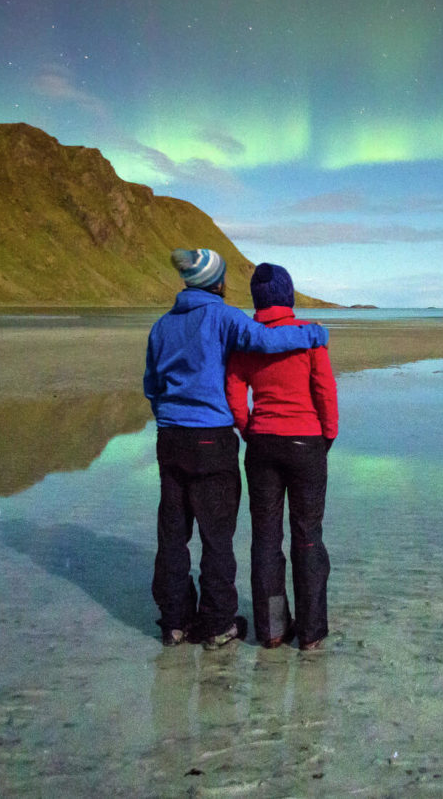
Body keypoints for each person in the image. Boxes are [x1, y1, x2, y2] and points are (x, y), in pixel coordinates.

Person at [144, 248, 329, 649]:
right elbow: (265, 339)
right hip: (212, 439)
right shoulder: (223, 316)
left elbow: (152, 387)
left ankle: (176, 624)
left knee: (173, 534)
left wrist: (176, 418)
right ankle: (217, 625)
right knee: (217, 536)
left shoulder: (160, 326)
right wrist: (314, 333)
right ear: (218, 282)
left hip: (171, 438)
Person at [225, 262, 337, 650]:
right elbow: (324, 390)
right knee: (308, 536)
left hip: (262, 444)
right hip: (306, 442)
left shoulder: (247, 340)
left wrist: (247, 427)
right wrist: (329, 433)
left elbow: (234, 390)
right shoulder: (308, 337)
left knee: (267, 539)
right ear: (287, 295)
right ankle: (310, 633)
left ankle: (272, 631)